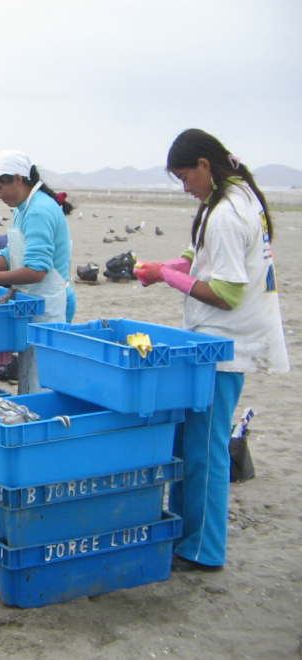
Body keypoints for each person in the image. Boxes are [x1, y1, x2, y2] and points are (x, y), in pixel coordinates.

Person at [133, 129, 289, 571]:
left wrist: (169, 277)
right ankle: (185, 535)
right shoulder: (233, 196)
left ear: (205, 165)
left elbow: (226, 293)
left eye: (186, 177)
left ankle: (203, 549)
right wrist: (171, 266)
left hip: (224, 346)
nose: (185, 188)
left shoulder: (227, 212)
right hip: (212, 344)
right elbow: (202, 255)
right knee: (192, 445)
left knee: (205, 451)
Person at [0, 149, 72, 394]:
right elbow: (12, 255)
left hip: (48, 307)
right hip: (32, 303)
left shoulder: (39, 211)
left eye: (0, 187)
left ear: (19, 179)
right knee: (29, 380)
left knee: (40, 385)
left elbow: (36, 271)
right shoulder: (24, 209)